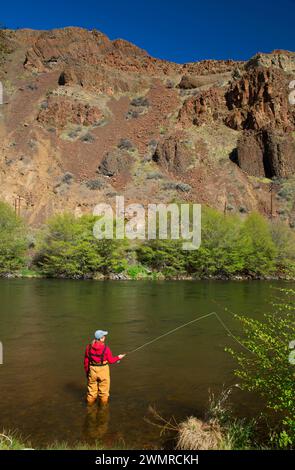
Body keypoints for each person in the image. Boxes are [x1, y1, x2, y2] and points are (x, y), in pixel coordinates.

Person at [84, 330, 126, 405]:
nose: (105, 337)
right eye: (103, 336)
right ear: (100, 339)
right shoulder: (106, 349)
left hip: (92, 370)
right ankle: (103, 409)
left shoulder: (88, 347)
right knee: (104, 392)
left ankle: (89, 408)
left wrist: (87, 372)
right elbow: (111, 360)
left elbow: (86, 361)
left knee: (91, 392)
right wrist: (119, 357)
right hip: (103, 370)